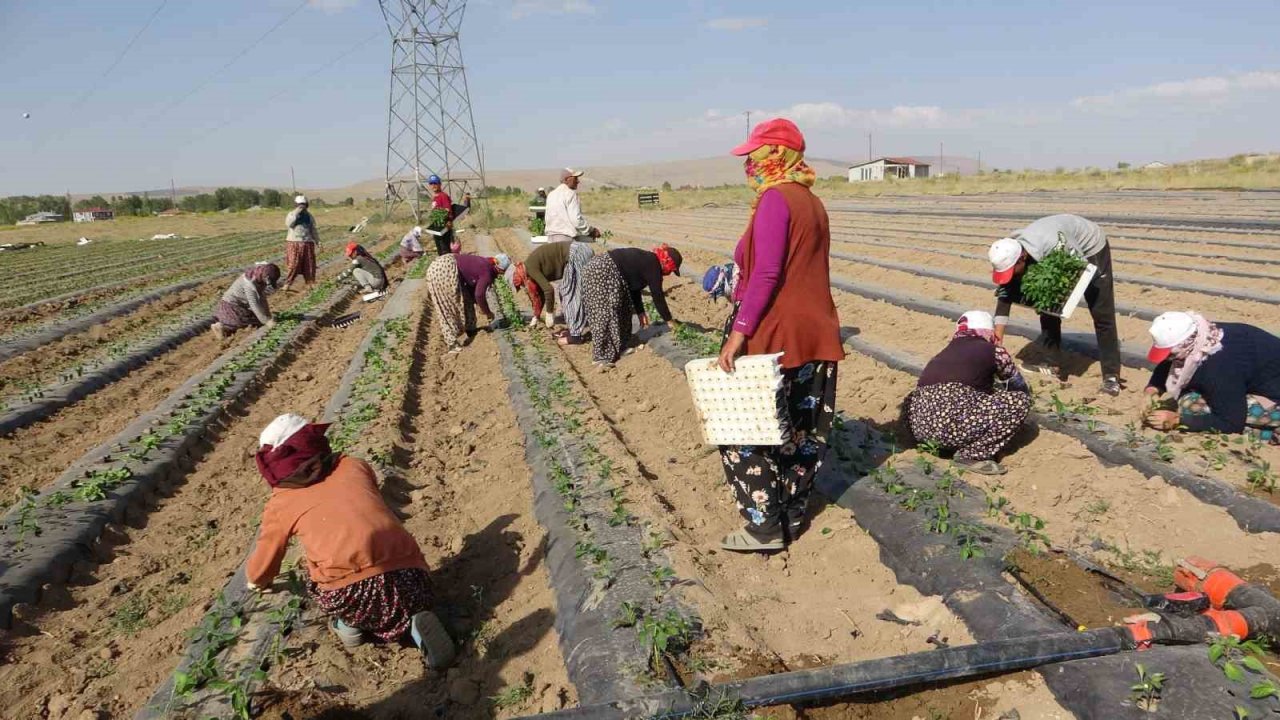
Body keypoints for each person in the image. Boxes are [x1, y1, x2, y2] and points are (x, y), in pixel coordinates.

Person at [714, 118, 845, 552]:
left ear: (774, 155)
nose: (747, 163)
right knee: (802, 432)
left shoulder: (775, 199)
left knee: (743, 429)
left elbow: (767, 273)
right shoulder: (812, 201)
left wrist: (738, 332)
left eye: (753, 154)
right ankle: (789, 514)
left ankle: (762, 528)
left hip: (775, 334)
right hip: (816, 333)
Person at [245, 414, 455, 668]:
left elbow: (268, 555)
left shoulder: (281, 502)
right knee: (398, 588)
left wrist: (257, 580)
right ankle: (414, 626)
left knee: (317, 572)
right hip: (412, 576)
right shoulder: (354, 466)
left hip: (351, 595)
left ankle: (350, 625)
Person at [988, 214, 1121, 396]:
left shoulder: (1055, 244)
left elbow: (1078, 268)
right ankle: (1052, 363)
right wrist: (997, 345)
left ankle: (1111, 377)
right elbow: (1005, 297)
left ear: (1023, 258)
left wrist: (1060, 300)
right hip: (1054, 244)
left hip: (1090, 248)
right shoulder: (1009, 250)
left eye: (1012, 271)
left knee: (1101, 312)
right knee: (1047, 302)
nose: (1010, 276)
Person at [905, 311, 1032, 475]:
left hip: (920, 430)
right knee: (1020, 401)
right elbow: (1016, 383)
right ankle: (972, 455)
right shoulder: (993, 351)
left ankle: (930, 444)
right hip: (953, 428)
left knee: (915, 397)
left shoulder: (943, 354)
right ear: (988, 331)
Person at [1143, 311, 1280, 444]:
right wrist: (1152, 390)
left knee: (1193, 407)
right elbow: (1170, 363)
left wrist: (1179, 420)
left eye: (1171, 354)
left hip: (1274, 398)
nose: (1170, 358)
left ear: (1186, 345)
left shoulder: (1220, 366)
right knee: (1189, 400)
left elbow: (1231, 422)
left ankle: (1268, 435)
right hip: (1259, 381)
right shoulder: (1204, 336)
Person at [579, 245, 681, 368]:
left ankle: (620, 347)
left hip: (606, 270)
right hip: (602, 270)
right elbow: (657, 295)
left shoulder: (648, 261)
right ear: (667, 262)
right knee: (604, 314)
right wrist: (669, 320)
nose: (669, 273)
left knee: (624, 308)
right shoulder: (653, 264)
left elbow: (634, 288)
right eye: (671, 270)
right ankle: (601, 358)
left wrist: (640, 312)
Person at [504, 240, 595, 343]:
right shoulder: (528, 268)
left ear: (517, 274)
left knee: (570, 293)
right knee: (570, 291)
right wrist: (536, 317)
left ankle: (575, 336)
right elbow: (541, 294)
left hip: (576, 253)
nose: (521, 286)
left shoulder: (530, 268)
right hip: (579, 250)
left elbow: (548, 290)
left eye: (518, 284)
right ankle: (576, 329)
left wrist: (549, 314)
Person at [428, 252, 512, 355]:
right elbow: (479, 295)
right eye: (502, 272)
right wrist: (488, 312)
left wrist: (478, 304)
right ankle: (452, 344)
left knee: (466, 299)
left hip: (446, 264)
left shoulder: (486, 263)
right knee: (448, 307)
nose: (501, 275)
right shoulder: (487, 271)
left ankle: (471, 329)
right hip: (444, 270)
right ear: (499, 269)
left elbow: (472, 288)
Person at [212, 263, 280, 339]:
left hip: (240, 307)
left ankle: (226, 325)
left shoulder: (259, 278)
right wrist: (267, 321)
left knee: (258, 320)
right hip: (231, 307)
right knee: (248, 323)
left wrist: (268, 316)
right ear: (266, 277)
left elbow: (262, 299)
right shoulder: (249, 284)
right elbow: (254, 304)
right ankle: (222, 327)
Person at [545, 168, 601, 243]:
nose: (578, 181)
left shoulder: (551, 194)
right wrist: (591, 230)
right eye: (575, 178)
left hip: (550, 238)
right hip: (565, 239)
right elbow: (576, 220)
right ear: (567, 179)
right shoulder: (570, 194)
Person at [283, 195, 320, 292]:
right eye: (300, 205)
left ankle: (310, 283)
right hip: (294, 243)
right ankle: (288, 284)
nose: (302, 207)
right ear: (296, 205)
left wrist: (318, 241)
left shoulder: (309, 216)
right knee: (293, 264)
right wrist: (296, 213)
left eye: (303, 205)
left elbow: (313, 230)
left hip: (307, 243)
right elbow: (289, 224)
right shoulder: (291, 214)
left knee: (309, 265)